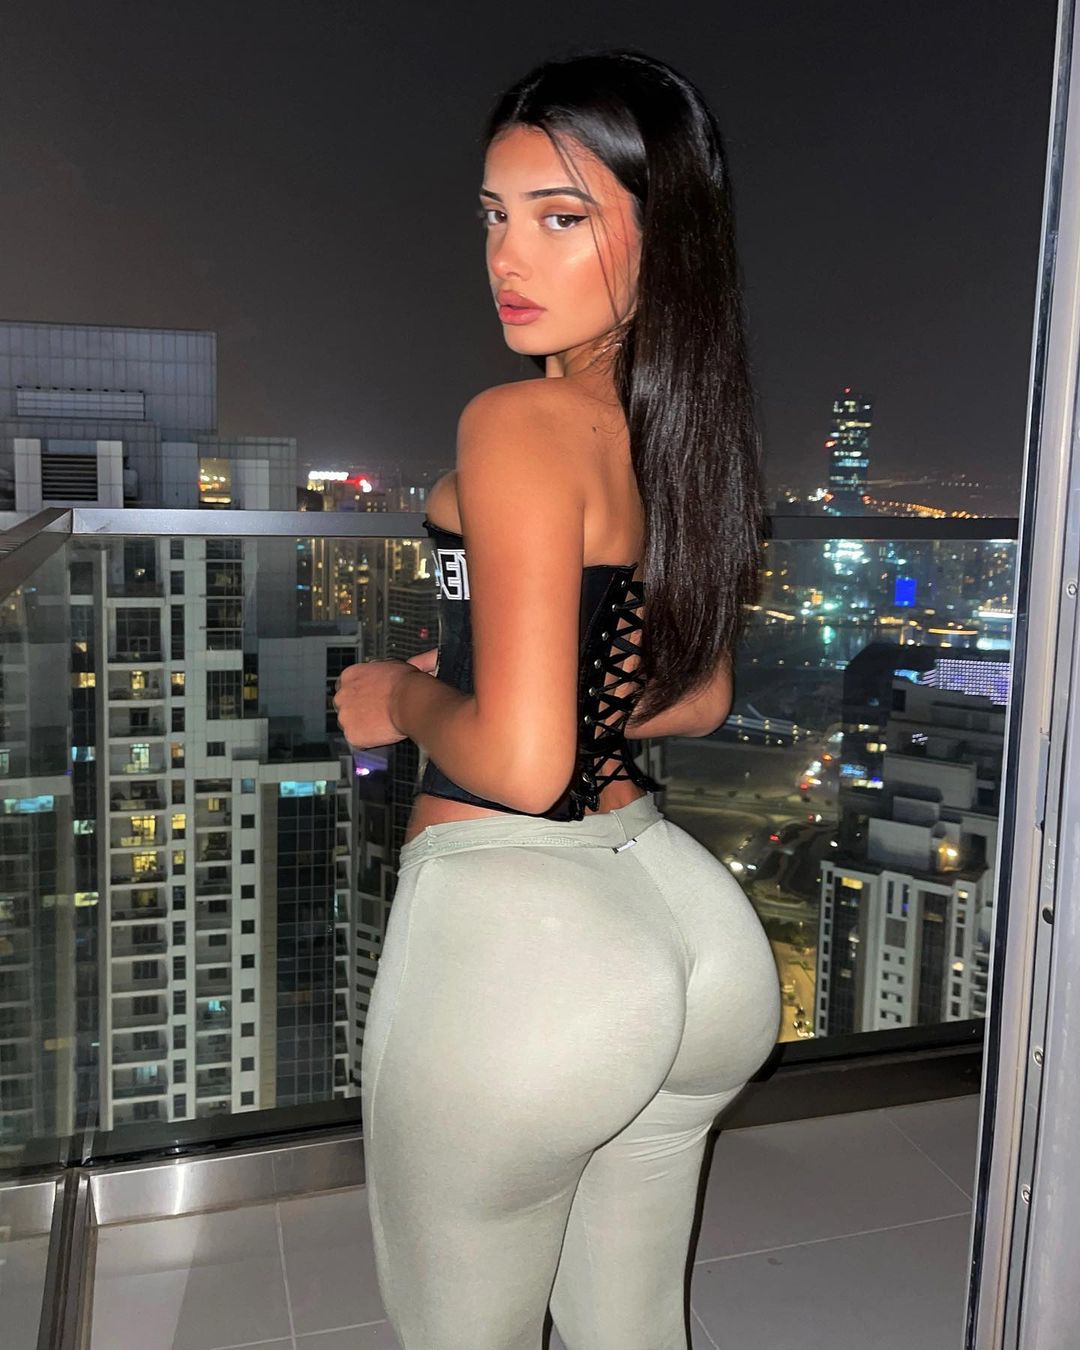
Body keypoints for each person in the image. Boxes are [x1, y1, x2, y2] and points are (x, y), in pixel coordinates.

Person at [333, 46, 781, 1350]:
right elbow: (693, 700)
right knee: (632, 1326)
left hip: (523, 944)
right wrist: (500, 685)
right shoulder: (687, 428)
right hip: (684, 921)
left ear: (665, 234)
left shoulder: (518, 426)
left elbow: (526, 767)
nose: (508, 258)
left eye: (561, 216)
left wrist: (399, 699)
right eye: (494, 215)